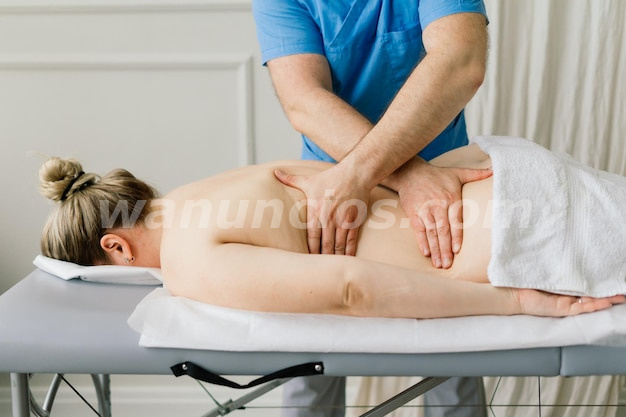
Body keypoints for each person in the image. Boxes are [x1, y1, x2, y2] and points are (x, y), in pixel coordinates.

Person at [39, 138, 625, 317]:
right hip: (506, 170)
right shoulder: (205, 187)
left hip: (527, 233)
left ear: (115, 246)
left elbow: (352, 289)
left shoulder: (188, 262)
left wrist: (519, 303)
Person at [252, 1, 491, 415]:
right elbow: (303, 99)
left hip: (439, 182)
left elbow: (461, 60)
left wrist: (373, 174)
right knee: (312, 361)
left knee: (453, 360)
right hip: (333, 187)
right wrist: (406, 176)